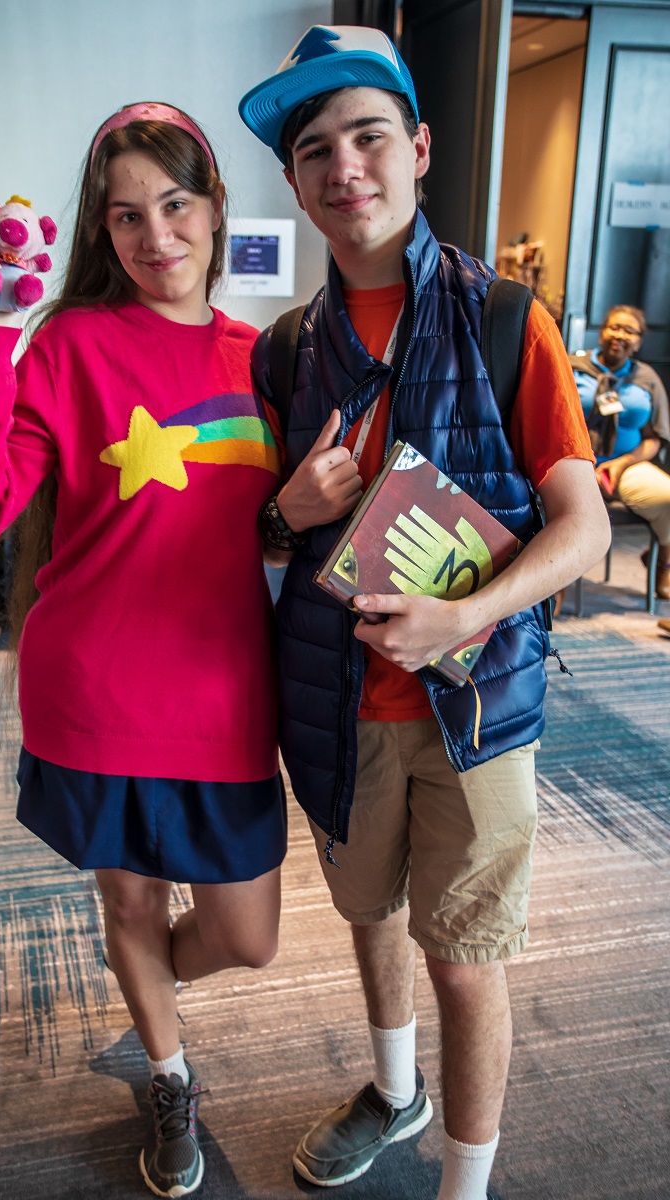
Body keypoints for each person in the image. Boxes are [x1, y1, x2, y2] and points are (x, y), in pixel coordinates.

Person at [239, 25, 611, 1200]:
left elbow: (583, 531)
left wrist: (465, 617)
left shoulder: (503, 319)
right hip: (334, 702)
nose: (343, 166)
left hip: (475, 709)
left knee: (462, 960)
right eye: (314, 150)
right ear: (293, 181)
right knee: (366, 913)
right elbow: (258, 545)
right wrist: (285, 509)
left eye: (367, 136)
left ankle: (465, 1183)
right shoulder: (282, 351)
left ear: (419, 148)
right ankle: (394, 1091)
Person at [0, 101, 286, 1199]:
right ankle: (169, 1073)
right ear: (101, 228)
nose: (155, 236)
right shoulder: (70, 343)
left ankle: (148, 996)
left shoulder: (267, 358)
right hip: (95, 688)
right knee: (131, 906)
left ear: (216, 207)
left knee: (249, 936)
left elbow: (286, 528)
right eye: (126, 215)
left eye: (175, 205)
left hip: (226, 694)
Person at [570, 305, 670, 600]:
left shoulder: (647, 378)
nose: (620, 335)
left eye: (630, 331)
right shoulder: (571, 367)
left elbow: (653, 439)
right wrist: (582, 464)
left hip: (625, 467)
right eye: (614, 327)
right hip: (574, 463)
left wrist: (621, 464)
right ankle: (557, 585)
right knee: (550, 503)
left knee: (667, 496)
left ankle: (664, 564)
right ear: (602, 331)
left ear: (639, 341)